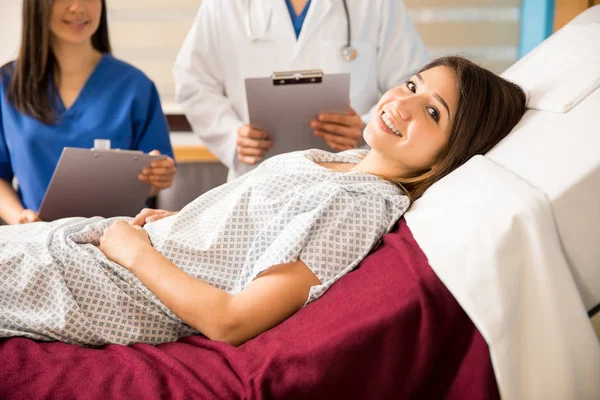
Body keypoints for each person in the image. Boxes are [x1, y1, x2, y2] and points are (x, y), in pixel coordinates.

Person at [0, 56, 527, 347]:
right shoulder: (344, 162)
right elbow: (252, 229)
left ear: (452, 153)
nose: (402, 103)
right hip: (111, 249)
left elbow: (233, 320)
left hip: (117, 286)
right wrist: (187, 219)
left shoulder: (362, 204)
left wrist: (136, 252)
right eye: (412, 84)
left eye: (433, 112)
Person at [173, 0, 429, 180]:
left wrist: (367, 128)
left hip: (350, 174)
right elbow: (194, 82)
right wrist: (232, 136)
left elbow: (413, 85)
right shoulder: (223, 5)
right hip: (258, 178)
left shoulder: (377, 4)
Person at [0, 0, 177, 225]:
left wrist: (159, 175)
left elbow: (153, 178)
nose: (78, 7)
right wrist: (20, 219)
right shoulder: (7, 84)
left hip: (120, 240)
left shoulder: (135, 86)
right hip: (38, 238)